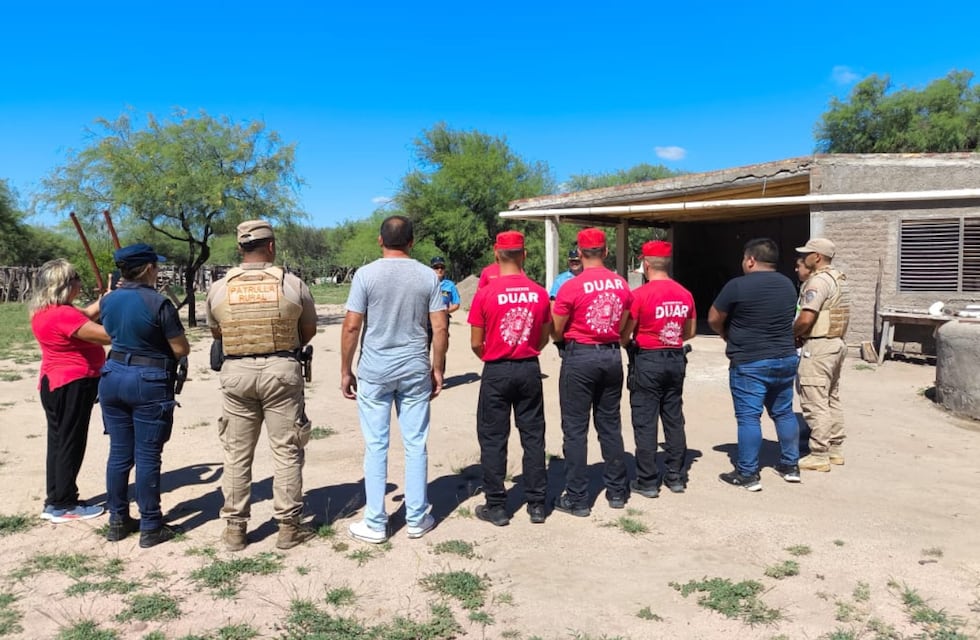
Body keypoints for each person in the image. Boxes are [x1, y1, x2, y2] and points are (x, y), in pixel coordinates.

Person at [205, 220, 319, 551]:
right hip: (282, 370)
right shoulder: (292, 283)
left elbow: (216, 331)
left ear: (240, 248)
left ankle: (236, 530)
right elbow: (308, 330)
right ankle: (288, 528)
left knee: (237, 453)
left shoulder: (219, 287)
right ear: (271, 246)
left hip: (236, 372)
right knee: (286, 449)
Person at [341, 215, 448, 543]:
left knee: (376, 444)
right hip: (415, 367)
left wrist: (345, 370)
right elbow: (440, 327)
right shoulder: (428, 277)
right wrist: (438, 367)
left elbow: (351, 326)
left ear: (380, 240)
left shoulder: (366, 275)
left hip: (375, 370)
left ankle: (375, 522)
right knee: (416, 443)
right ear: (412, 242)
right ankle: (416, 518)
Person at [99, 243, 190, 547]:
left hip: (113, 375)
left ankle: (117, 519)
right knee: (148, 454)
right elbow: (180, 348)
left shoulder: (108, 300)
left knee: (119, 453)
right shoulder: (158, 303)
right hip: (148, 379)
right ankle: (151, 524)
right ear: (149, 268)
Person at [467, 231, 552, 526]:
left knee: (493, 438)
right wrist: (525, 350)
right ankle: (537, 504)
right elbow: (543, 336)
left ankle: (497, 505)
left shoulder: (485, 293)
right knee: (533, 436)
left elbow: (476, 342)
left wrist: (494, 356)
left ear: (495, 253)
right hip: (529, 367)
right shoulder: (539, 292)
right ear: (524, 254)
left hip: (497, 369)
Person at [551, 227, 633, 516]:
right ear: (606, 252)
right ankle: (617, 491)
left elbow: (556, 329)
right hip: (611, 356)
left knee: (575, 429)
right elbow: (626, 321)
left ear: (581, 253)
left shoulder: (570, 286)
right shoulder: (621, 284)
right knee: (610, 425)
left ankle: (577, 497)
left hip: (580, 356)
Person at [708, 238, 800, 491]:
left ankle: (748, 473)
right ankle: (790, 465)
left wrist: (725, 333)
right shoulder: (789, 284)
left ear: (750, 260)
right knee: (783, 412)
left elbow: (714, 317)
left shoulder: (737, 286)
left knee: (749, 418)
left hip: (750, 361)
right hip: (785, 357)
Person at [29, 259, 110, 524]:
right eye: (75, 278)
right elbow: (107, 335)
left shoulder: (47, 310)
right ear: (64, 285)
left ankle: (56, 498)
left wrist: (108, 299)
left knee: (59, 442)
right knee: (70, 444)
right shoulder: (63, 314)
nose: (79, 282)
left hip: (54, 383)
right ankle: (64, 504)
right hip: (72, 384)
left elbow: (84, 317)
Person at [620, 241, 696, 497]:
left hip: (648, 359)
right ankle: (675, 476)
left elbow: (625, 334)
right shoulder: (685, 293)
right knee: (673, 417)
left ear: (647, 264)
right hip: (675, 357)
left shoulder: (639, 295)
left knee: (645, 420)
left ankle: (647, 480)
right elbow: (691, 332)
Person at [793, 238, 850, 472]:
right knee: (830, 398)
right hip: (836, 344)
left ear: (816, 257)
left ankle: (819, 453)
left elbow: (807, 317)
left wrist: (793, 334)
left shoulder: (818, 282)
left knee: (815, 400)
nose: (803, 257)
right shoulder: (838, 278)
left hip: (819, 346)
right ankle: (835, 448)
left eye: (807, 253)